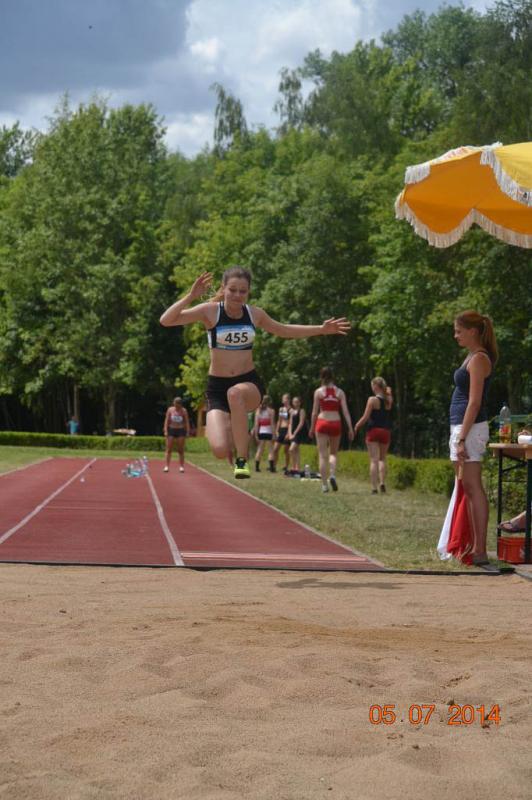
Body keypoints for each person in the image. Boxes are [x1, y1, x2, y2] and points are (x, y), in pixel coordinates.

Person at [159, 268, 350, 479]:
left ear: (249, 292)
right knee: (220, 450)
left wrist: (321, 329)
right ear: (223, 288)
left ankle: (242, 460)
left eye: (243, 291)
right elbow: (166, 320)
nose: (237, 295)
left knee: (235, 393)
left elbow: (284, 330)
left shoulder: (254, 314)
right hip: (217, 388)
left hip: (248, 383)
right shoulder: (210, 311)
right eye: (232, 290)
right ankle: (234, 426)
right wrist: (191, 296)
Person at [448, 310, 498, 566]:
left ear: (473, 331)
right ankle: (468, 545)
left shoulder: (479, 358)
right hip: (462, 427)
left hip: (471, 428)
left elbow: (475, 401)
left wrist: (461, 438)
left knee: (473, 486)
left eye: (459, 331)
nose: (455, 335)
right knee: (466, 487)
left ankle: (479, 549)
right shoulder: (471, 356)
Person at [309, 367, 354, 493]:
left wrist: (312, 427)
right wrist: (350, 428)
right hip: (335, 422)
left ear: (321, 377)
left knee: (322, 455)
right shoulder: (340, 392)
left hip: (322, 422)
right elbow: (345, 411)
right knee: (333, 453)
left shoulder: (318, 392)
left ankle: (324, 485)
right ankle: (332, 475)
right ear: (333, 376)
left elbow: (314, 412)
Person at [354, 377, 393, 494]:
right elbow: (389, 393)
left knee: (373, 460)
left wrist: (356, 426)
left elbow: (365, 417)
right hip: (385, 431)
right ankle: (382, 482)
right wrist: (388, 392)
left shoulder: (372, 400)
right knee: (382, 459)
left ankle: (374, 488)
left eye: (372, 385)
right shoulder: (389, 400)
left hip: (373, 431)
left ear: (375, 386)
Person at [163, 397, 190, 473]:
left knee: (180, 449)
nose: (176, 406)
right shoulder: (170, 410)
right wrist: (165, 430)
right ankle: (166, 466)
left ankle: (181, 466)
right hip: (171, 429)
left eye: (178, 404)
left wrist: (188, 431)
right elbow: (166, 420)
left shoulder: (184, 411)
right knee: (169, 449)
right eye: (175, 403)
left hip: (180, 430)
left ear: (180, 404)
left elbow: (187, 421)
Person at [253, 395, 276, 472]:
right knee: (271, 450)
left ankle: (257, 467)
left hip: (261, 431)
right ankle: (272, 468)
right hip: (269, 431)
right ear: (270, 402)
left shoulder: (258, 411)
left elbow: (256, 424)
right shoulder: (271, 411)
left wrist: (256, 434)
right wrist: (274, 434)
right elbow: (272, 423)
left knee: (260, 450)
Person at [273, 393, 291, 474]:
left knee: (286, 450)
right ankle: (274, 465)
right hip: (281, 430)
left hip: (287, 430)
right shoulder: (281, 409)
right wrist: (277, 430)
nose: (283, 400)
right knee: (275, 449)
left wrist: (288, 433)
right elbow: (279, 420)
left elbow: (291, 422)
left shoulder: (291, 410)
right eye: (283, 398)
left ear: (288, 400)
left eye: (284, 398)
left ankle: (286, 466)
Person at [288, 396, 306, 473]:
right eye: (293, 402)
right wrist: (290, 433)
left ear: (299, 403)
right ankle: (297, 468)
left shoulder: (302, 411)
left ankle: (294, 467)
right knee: (296, 450)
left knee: (291, 449)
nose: (295, 403)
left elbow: (301, 423)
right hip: (292, 432)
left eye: (296, 402)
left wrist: (295, 433)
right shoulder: (292, 411)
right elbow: (290, 423)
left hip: (298, 432)